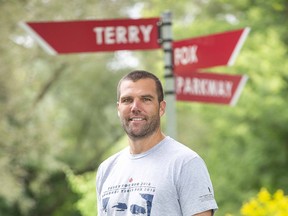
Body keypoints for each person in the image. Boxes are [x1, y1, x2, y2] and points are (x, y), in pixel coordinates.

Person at [96, 70, 218, 216]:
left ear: (161, 108)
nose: (135, 107)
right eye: (127, 100)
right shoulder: (106, 169)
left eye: (146, 99)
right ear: (118, 109)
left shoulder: (186, 163)